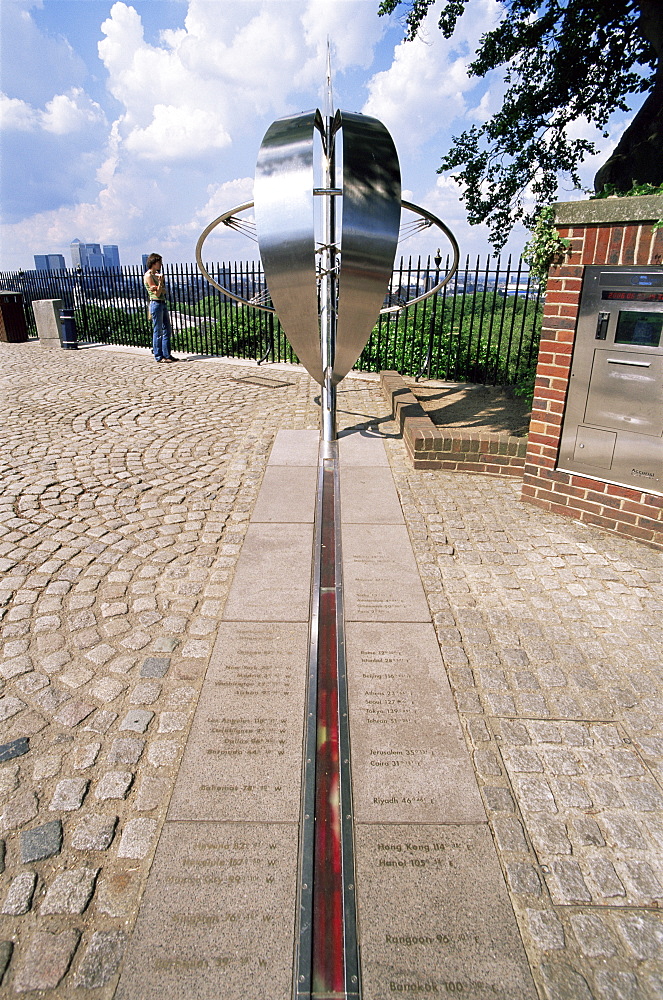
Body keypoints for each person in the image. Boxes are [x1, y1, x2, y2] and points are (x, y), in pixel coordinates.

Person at [143, 253, 179, 363]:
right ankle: (158, 356)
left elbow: (163, 290)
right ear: (153, 263)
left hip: (162, 303)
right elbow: (158, 293)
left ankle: (167, 354)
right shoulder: (149, 276)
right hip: (156, 303)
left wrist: (160, 285)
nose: (161, 264)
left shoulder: (156, 274)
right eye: (159, 262)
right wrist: (160, 282)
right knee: (158, 331)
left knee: (167, 329)